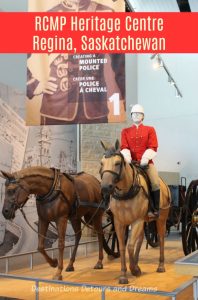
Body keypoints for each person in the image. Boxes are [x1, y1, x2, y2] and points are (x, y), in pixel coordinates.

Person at [26, 0, 125, 125]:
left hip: (95, 108)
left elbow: (121, 64)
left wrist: (129, 103)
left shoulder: (106, 14)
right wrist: (32, 85)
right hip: (57, 109)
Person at [120, 104, 160, 218]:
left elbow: (153, 146)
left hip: (146, 164)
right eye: (134, 114)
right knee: (115, 177)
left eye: (139, 114)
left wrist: (146, 158)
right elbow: (124, 146)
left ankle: (155, 208)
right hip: (131, 163)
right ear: (131, 116)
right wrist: (127, 157)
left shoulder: (150, 129)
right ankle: (111, 205)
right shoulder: (125, 131)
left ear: (143, 117)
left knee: (155, 182)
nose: (136, 115)